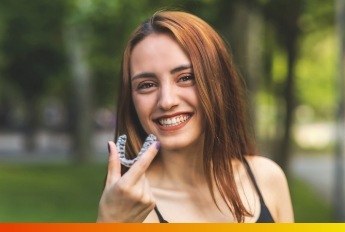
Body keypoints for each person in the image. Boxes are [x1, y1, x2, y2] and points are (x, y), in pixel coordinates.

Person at [97, 10, 294, 223]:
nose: (166, 101)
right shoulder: (132, 207)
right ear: (131, 101)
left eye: (185, 78)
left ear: (219, 82)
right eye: (147, 85)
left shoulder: (267, 178)